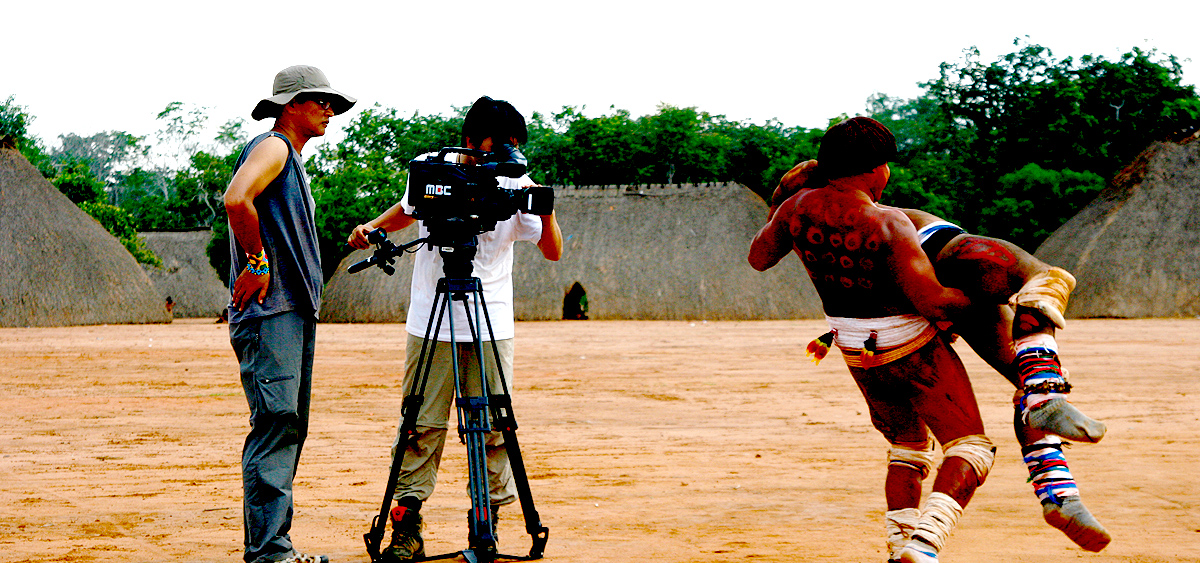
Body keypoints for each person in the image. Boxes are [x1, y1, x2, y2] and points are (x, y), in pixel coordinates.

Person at [770, 160, 1111, 552]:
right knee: (1046, 278)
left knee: (911, 443)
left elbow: (767, 242)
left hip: (889, 319)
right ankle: (1051, 451)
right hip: (940, 255)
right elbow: (935, 292)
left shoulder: (805, 224)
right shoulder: (892, 220)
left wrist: (787, 191)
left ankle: (1051, 489)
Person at [749, 117, 995, 563]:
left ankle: (899, 548)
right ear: (878, 168)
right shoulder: (889, 223)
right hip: (909, 346)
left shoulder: (796, 209)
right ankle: (923, 545)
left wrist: (781, 201)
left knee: (907, 445)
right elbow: (934, 302)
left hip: (853, 348)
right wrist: (986, 296)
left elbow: (759, 258)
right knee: (970, 447)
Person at [346, 96, 563, 562]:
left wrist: (543, 208)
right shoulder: (432, 169)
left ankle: (486, 524)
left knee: (491, 429)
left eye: (512, 143)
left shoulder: (517, 180)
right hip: (431, 320)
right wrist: (373, 226)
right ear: (469, 140)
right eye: (497, 143)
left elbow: (553, 251)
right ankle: (407, 526)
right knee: (420, 425)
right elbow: (409, 208)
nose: (506, 151)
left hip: (491, 322)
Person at [224, 65, 356, 563]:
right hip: (271, 311)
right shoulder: (274, 146)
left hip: (291, 311)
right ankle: (270, 552)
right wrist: (257, 262)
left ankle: (275, 545)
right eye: (319, 101)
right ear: (289, 105)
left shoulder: (291, 160)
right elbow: (237, 199)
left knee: (288, 423)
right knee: (277, 421)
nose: (329, 111)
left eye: (331, 103)